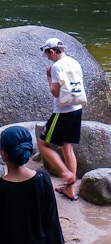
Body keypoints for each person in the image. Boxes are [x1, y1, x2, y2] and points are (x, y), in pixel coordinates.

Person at [36, 37, 86, 200]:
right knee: (67, 147)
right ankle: (70, 190)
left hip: (62, 112)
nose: (48, 57)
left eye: (47, 54)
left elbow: (56, 93)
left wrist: (49, 77)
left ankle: (66, 174)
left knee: (42, 143)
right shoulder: (75, 62)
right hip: (77, 109)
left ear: (52, 51)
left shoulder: (56, 67)